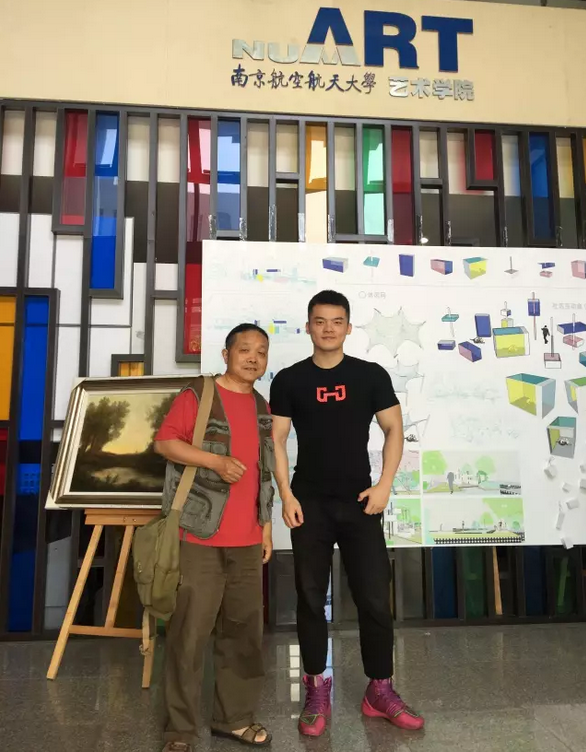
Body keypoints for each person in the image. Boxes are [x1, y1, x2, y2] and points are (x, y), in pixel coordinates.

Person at [270, 290, 424, 737]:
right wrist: (286, 494)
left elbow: (394, 429)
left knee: (374, 596)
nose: (328, 329)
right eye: (320, 321)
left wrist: (384, 485)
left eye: (337, 321)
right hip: (309, 504)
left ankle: (380, 690)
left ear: (349, 328)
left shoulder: (369, 375)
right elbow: (275, 439)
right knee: (309, 598)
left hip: (361, 502)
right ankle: (316, 688)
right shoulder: (290, 380)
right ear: (308, 327)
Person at [154, 323, 275, 752]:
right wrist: (215, 462)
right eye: (245, 349)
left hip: (247, 540)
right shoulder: (199, 394)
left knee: (243, 635)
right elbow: (165, 443)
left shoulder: (261, 404)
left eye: (261, 351)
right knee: (189, 637)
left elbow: (264, 472)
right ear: (226, 354)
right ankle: (179, 731)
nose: (253, 358)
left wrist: (266, 527)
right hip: (198, 536)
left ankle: (234, 719)